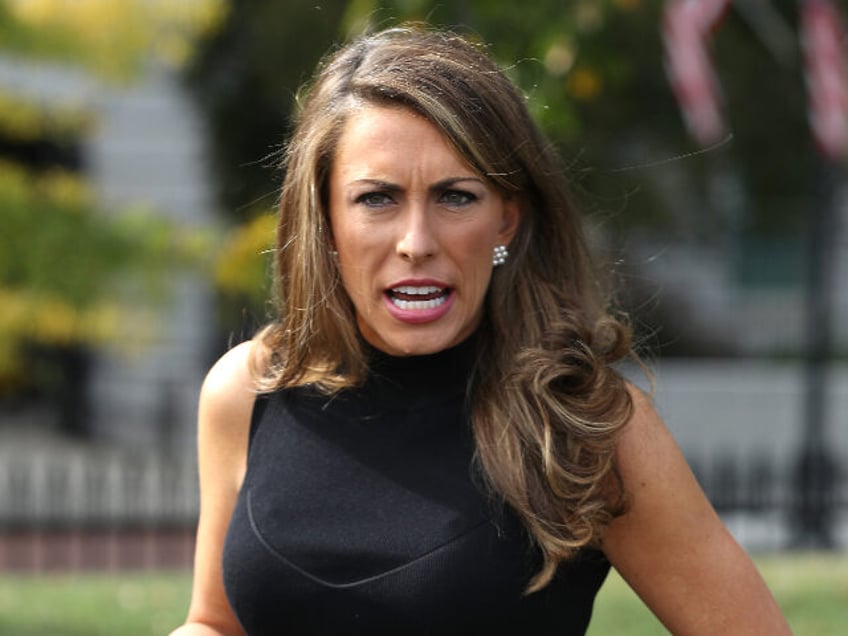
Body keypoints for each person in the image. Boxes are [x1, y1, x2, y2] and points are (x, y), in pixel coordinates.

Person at [171, 24, 790, 636]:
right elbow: (215, 622)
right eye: (376, 199)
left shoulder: (586, 427)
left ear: (506, 222)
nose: (417, 243)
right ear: (325, 221)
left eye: (456, 197)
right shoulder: (247, 391)